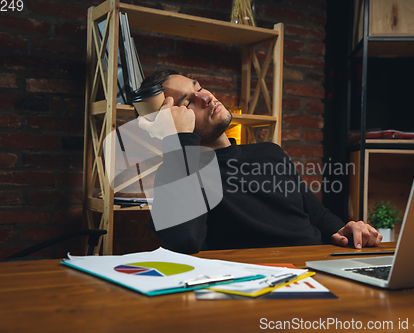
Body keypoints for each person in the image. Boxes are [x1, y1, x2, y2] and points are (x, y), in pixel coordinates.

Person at [137, 69, 382, 254]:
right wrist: (178, 140)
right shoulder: (178, 175)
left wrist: (344, 229)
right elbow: (186, 241)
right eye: (188, 102)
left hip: (321, 265)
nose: (207, 96)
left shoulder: (270, 153)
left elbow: (317, 216)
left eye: (199, 87)